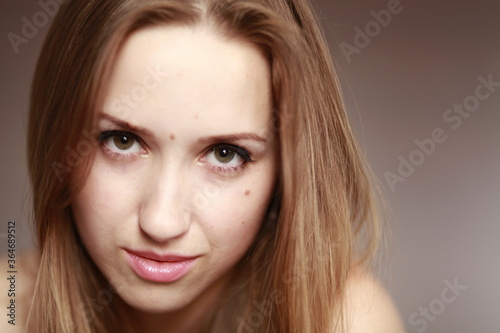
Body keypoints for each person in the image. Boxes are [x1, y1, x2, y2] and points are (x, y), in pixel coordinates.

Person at [7, 0, 403, 332]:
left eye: (225, 154)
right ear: (56, 141)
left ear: (286, 172)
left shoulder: (344, 321)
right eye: (121, 141)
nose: (162, 223)